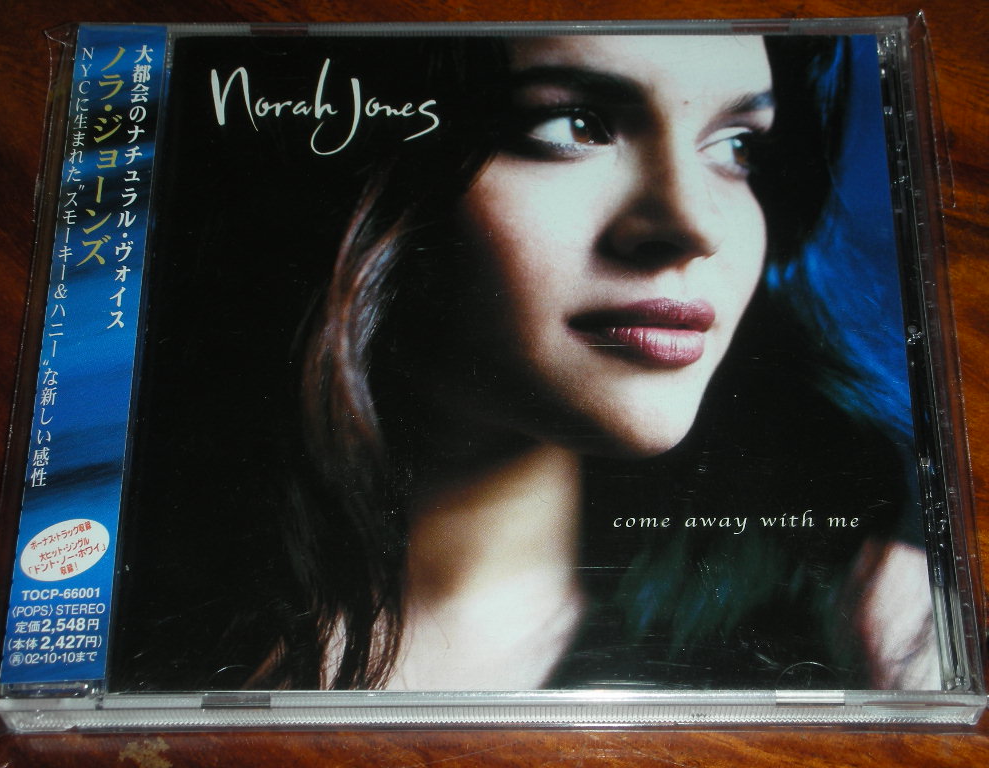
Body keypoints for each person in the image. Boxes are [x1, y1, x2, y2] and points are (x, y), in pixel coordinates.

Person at [114, 32, 937, 694]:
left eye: (736, 145)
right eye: (573, 125)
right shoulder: (102, 598)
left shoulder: (879, 626)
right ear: (351, 164)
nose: (694, 225)